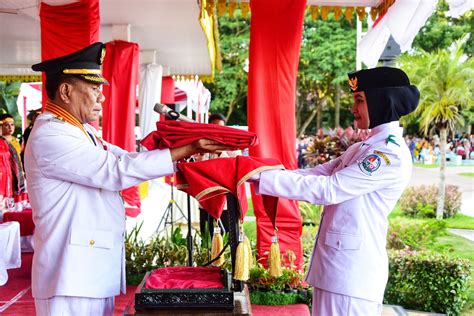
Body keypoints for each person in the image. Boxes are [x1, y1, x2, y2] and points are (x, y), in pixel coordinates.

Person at [25, 42, 234, 315]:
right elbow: (116, 170)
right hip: (70, 273)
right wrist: (189, 148)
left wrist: (186, 155)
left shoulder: (81, 131)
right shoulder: (50, 135)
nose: (101, 98)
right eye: (94, 88)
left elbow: (128, 158)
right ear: (65, 91)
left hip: (86, 270)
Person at [250, 67, 419, 315]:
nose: (353, 108)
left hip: (352, 277)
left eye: (359, 100)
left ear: (382, 101)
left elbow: (329, 189)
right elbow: (316, 174)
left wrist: (260, 177)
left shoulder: (388, 153)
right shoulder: (363, 146)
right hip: (337, 273)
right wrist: (256, 174)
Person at [196, 113, 241, 237]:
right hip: (206, 201)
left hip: (226, 202)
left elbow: (237, 166)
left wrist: (221, 152)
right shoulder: (200, 146)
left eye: (220, 127)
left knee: (228, 237)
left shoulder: (232, 146)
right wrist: (202, 155)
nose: (217, 130)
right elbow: (196, 169)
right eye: (213, 127)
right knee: (207, 238)